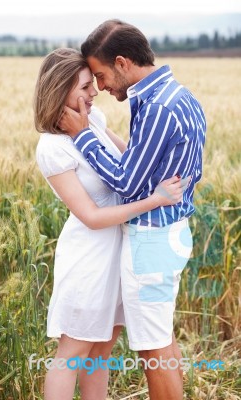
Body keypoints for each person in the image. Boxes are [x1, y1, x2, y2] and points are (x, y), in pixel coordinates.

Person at [60, 19, 207, 400]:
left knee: (152, 349)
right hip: (171, 233)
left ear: (123, 63)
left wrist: (82, 137)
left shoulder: (156, 108)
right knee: (160, 337)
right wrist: (103, 133)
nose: (102, 87)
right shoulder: (181, 96)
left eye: (102, 75)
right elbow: (151, 165)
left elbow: (126, 183)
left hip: (151, 241)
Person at [33, 47, 189, 400]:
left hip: (120, 252)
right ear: (59, 89)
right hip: (89, 257)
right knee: (73, 352)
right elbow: (90, 217)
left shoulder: (95, 121)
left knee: (102, 350)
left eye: (94, 83)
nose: (94, 93)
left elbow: (129, 164)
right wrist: (156, 200)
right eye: (85, 86)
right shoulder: (53, 148)